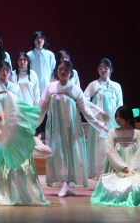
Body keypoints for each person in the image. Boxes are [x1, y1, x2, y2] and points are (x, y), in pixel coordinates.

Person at [0, 62, 48, 206]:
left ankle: (15, 188)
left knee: (10, 154)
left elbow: (19, 105)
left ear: (10, 72)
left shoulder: (15, 87)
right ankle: (4, 187)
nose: (5, 73)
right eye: (2, 70)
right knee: (0, 153)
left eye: (7, 70)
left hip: (12, 124)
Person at [37, 59, 108, 197]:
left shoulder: (75, 89)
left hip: (71, 128)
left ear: (70, 73)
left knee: (70, 153)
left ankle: (66, 184)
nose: (62, 72)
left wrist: (99, 124)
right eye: (60, 69)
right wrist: (32, 125)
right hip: (55, 128)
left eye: (65, 70)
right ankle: (63, 183)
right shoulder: (50, 87)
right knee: (58, 153)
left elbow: (86, 110)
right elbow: (41, 108)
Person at [90, 106, 140, 207]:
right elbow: (110, 150)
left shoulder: (137, 133)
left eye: (120, 116)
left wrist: (132, 168)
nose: (117, 119)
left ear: (128, 118)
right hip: (116, 165)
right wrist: (121, 166)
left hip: (134, 165)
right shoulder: (113, 132)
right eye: (116, 116)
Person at [84, 58, 124, 179]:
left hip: (113, 121)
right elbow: (84, 100)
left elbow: (120, 104)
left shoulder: (116, 86)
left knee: (112, 145)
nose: (103, 70)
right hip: (99, 121)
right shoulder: (93, 85)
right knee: (99, 146)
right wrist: (98, 110)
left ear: (111, 70)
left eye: (106, 68)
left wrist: (116, 117)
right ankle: (99, 173)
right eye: (100, 68)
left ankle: (112, 171)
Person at [27, 31, 55, 96]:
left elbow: (53, 71)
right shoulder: (29, 55)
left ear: (44, 40)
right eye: (37, 38)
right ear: (33, 41)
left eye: (41, 38)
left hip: (48, 86)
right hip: (34, 87)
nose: (39, 40)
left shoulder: (50, 54)